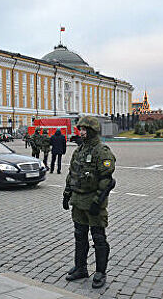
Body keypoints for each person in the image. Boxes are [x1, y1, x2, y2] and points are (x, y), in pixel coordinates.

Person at [63, 116, 116, 289]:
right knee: (80, 236)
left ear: (92, 131)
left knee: (99, 238)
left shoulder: (102, 151)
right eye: (81, 129)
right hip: (78, 201)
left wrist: (97, 201)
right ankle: (81, 268)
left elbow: (107, 180)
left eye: (85, 129)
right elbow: (72, 174)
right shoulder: (79, 151)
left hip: (93, 203)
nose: (82, 132)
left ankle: (100, 272)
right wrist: (66, 193)